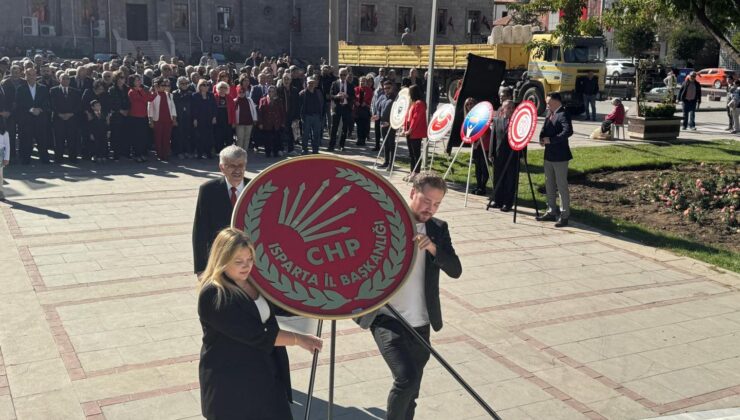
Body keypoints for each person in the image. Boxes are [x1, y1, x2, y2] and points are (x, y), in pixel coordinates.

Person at [356, 172, 462, 420]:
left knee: (412, 391)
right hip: (387, 318)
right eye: (426, 201)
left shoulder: (438, 229)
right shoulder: (386, 224)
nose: (430, 209)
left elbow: (455, 270)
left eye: (437, 204)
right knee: (406, 379)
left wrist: (433, 248)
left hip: (422, 321)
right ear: (412, 193)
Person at [198, 227, 323, 420]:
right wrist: (299, 339)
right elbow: (257, 334)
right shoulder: (214, 295)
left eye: (249, 259)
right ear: (221, 260)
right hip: (231, 385)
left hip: (265, 376)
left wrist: (319, 303)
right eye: (238, 261)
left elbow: (280, 305)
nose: (246, 266)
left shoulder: (254, 282)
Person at [192, 145, 249, 274]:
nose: (237, 170)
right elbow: (200, 230)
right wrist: (201, 268)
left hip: (248, 262)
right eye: (231, 166)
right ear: (222, 168)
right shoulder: (208, 190)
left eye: (241, 165)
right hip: (220, 260)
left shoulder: (255, 187)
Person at [536, 93, 573, 228]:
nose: (547, 105)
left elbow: (568, 132)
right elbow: (544, 128)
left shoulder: (563, 114)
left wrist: (551, 140)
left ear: (557, 101)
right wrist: (541, 138)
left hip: (560, 157)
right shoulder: (549, 113)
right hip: (548, 156)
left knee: (561, 186)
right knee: (549, 184)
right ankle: (551, 211)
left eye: (549, 103)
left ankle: (564, 215)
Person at [15, 67, 50, 164]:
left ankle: (45, 159)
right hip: (26, 119)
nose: (31, 77)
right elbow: (19, 103)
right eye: (28, 75)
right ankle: (26, 159)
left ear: (36, 75)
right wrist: (30, 109)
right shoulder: (20, 89)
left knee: (42, 139)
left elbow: (47, 102)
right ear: (25, 76)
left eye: (33, 74)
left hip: (40, 118)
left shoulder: (43, 88)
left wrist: (40, 109)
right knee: (26, 140)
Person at [49, 73, 82, 162]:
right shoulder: (53, 90)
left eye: (67, 79)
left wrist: (71, 114)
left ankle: (72, 158)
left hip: (72, 118)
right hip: (58, 118)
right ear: (59, 80)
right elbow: (52, 104)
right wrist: (59, 114)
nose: (65, 80)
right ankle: (59, 158)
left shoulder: (75, 91)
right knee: (59, 139)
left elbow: (78, 105)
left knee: (72, 138)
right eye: (63, 78)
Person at [490, 100, 517, 209]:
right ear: (503, 109)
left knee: (510, 180)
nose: (510, 110)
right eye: (508, 108)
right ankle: (497, 200)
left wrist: (522, 156)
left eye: (512, 108)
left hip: (512, 155)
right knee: (498, 178)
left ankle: (508, 203)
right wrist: (491, 153)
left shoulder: (517, 121)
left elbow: (523, 140)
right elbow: (493, 138)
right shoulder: (497, 120)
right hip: (498, 155)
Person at [399, 85, 427, 180]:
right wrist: (404, 128)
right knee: (411, 154)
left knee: (416, 154)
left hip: (415, 132)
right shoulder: (412, 103)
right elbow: (406, 116)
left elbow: (416, 118)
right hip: (409, 132)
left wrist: (410, 129)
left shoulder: (420, 103)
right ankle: (412, 172)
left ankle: (416, 173)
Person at [148, 78, 177, 161]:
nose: (164, 87)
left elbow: (173, 107)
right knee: (158, 137)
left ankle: (165, 154)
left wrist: (174, 118)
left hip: (168, 119)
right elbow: (150, 107)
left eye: (165, 85)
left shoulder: (169, 95)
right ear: (157, 86)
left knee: (167, 137)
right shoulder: (153, 94)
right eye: (162, 85)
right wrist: (150, 120)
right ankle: (159, 154)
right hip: (157, 119)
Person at [128, 74, 155, 162]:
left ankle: (142, 153)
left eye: (139, 80)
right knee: (137, 137)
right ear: (132, 82)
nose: (139, 81)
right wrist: (146, 93)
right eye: (137, 80)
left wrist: (153, 92)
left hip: (143, 116)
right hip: (135, 117)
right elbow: (144, 99)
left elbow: (150, 98)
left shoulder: (141, 90)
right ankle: (137, 154)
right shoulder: (131, 91)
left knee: (143, 136)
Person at [328, 67, 354, 152]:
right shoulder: (334, 83)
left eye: (344, 75)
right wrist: (337, 96)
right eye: (341, 74)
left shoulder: (350, 85)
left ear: (347, 75)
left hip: (346, 107)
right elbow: (330, 96)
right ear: (338, 75)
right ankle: (331, 145)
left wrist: (348, 96)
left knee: (345, 128)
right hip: (337, 107)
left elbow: (353, 97)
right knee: (334, 127)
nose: (342, 76)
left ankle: (342, 145)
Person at [191, 79, 218, 159]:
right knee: (200, 136)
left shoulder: (211, 95)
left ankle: (208, 152)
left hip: (209, 118)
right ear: (200, 86)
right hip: (199, 119)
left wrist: (214, 117)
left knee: (209, 136)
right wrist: (194, 119)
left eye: (207, 85)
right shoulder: (195, 95)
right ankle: (200, 153)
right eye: (204, 85)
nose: (206, 86)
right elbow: (194, 108)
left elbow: (214, 107)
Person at [108, 71, 131, 160]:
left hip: (127, 114)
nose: (122, 79)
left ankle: (126, 152)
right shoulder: (112, 89)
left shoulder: (128, 89)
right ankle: (116, 153)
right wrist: (120, 111)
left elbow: (130, 101)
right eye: (120, 77)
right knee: (116, 134)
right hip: (117, 115)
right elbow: (111, 103)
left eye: (124, 77)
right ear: (116, 79)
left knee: (126, 134)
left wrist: (127, 110)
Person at [299, 75, 324, 154]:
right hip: (307, 116)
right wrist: (301, 116)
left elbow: (322, 103)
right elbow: (299, 106)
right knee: (305, 134)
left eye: (312, 83)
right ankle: (304, 149)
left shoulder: (319, 92)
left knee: (316, 134)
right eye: (309, 83)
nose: (311, 84)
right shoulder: (302, 93)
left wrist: (321, 115)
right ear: (306, 83)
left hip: (317, 116)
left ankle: (315, 150)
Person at [258, 86, 285, 158]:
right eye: (269, 91)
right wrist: (260, 123)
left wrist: (282, 122)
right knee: (267, 139)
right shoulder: (263, 100)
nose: (271, 93)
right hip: (267, 122)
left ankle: (275, 152)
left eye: (272, 91)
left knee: (276, 138)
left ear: (275, 92)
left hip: (276, 122)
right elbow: (260, 112)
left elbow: (282, 112)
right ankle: (268, 152)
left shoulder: (279, 100)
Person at [376, 80, 396, 169]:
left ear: (392, 87)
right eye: (385, 88)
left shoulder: (395, 98)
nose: (386, 90)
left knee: (391, 143)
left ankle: (391, 163)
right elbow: (378, 108)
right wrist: (377, 115)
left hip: (391, 123)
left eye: (388, 88)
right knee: (385, 142)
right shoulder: (382, 96)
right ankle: (386, 161)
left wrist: (391, 122)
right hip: (382, 123)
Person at [172, 76, 194, 158]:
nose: (184, 85)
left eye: (186, 83)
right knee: (178, 135)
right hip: (178, 117)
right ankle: (179, 151)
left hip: (188, 117)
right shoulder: (174, 93)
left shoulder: (191, 93)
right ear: (178, 84)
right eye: (182, 83)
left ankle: (188, 151)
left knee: (188, 134)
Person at [234, 80, 258, 151]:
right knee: (240, 138)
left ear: (245, 92)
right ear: (237, 93)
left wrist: (255, 119)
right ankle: (239, 152)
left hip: (249, 122)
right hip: (239, 123)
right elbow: (233, 113)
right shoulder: (235, 101)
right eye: (240, 92)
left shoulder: (249, 100)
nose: (241, 93)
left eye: (243, 92)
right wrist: (234, 122)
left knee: (247, 138)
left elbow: (253, 110)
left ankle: (245, 151)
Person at [213, 81, 236, 154]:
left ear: (227, 89)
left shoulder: (230, 98)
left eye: (224, 87)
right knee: (218, 137)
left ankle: (228, 152)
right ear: (217, 88)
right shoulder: (214, 97)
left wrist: (233, 122)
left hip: (227, 120)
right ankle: (219, 152)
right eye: (221, 87)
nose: (222, 89)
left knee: (228, 137)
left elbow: (233, 111)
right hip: (218, 120)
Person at [354, 75, 374, 146]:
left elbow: (370, 99)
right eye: (361, 81)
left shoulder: (369, 90)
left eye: (363, 81)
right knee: (359, 126)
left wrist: (365, 103)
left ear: (366, 82)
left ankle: (363, 139)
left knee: (364, 125)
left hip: (365, 109)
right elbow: (353, 97)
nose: (362, 82)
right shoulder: (356, 89)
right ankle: (359, 139)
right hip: (358, 109)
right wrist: (355, 102)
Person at [0, 113, 8, 201]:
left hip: (0, 154)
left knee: (0, 175)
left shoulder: (4, 133)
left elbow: (8, 146)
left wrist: (7, 158)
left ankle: (1, 192)